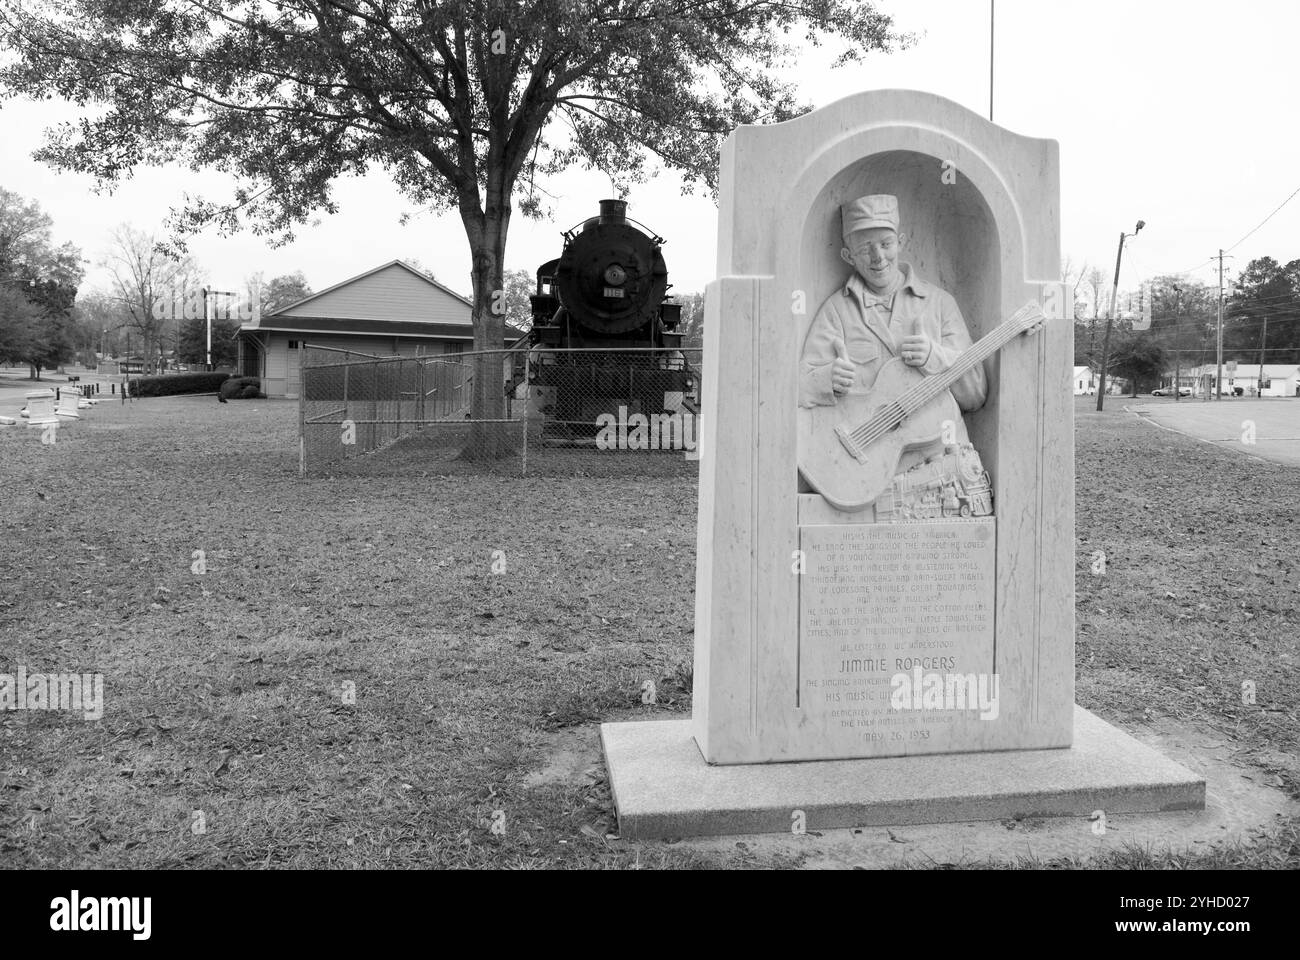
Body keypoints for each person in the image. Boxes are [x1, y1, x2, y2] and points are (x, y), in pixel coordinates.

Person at [800, 193, 988, 461]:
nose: (878, 257)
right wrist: (826, 380)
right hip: (872, 467)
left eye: (886, 244)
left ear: (901, 242)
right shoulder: (836, 311)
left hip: (943, 460)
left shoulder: (939, 303)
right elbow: (797, 389)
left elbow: (975, 395)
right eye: (865, 248)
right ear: (848, 256)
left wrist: (934, 357)